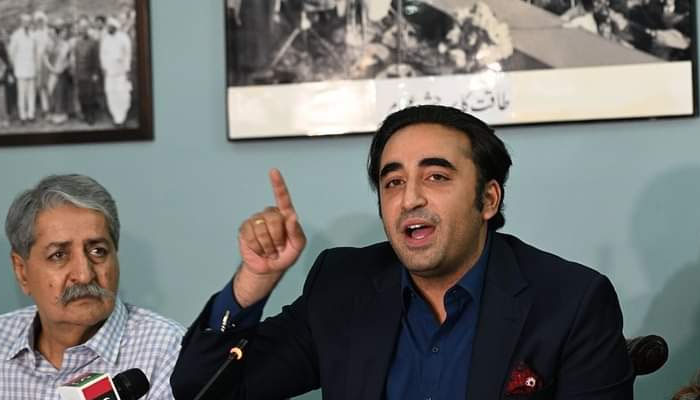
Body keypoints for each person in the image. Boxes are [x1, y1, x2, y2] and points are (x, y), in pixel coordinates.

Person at [171, 105, 634, 399]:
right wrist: (254, 280)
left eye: (436, 177)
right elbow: (203, 389)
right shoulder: (343, 286)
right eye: (393, 182)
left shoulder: (571, 301)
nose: (410, 198)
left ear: (488, 199)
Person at [0, 174, 184, 399]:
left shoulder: (167, 352)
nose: (84, 275)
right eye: (59, 255)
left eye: (98, 251)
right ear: (22, 271)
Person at [100, 17, 132, 126]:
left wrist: (127, 70)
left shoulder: (124, 38)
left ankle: (122, 117)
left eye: (110, 27)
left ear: (115, 27)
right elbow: (102, 55)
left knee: (122, 94)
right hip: (109, 73)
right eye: (108, 26)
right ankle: (115, 117)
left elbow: (127, 55)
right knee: (111, 94)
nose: (108, 28)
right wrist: (104, 68)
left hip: (121, 72)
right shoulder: (105, 39)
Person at [8, 14, 37, 123]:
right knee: (22, 94)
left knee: (31, 93)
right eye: (25, 21)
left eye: (28, 21)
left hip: (31, 68)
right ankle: (23, 116)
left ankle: (31, 114)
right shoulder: (16, 35)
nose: (27, 23)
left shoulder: (33, 35)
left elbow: (34, 52)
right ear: (21, 22)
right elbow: (11, 53)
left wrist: (35, 65)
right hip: (20, 69)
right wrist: (16, 65)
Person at [73, 19, 101, 125]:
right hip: (79, 74)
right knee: (82, 96)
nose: (83, 30)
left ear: (88, 29)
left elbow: (96, 59)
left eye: (85, 28)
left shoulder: (93, 42)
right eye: (81, 28)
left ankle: (91, 116)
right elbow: (76, 59)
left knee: (90, 96)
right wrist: (75, 73)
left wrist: (95, 73)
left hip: (90, 74)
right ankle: (85, 114)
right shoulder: (77, 42)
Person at [32, 11, 53, 118]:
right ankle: (45, 108)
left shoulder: (49, 32)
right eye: (38, 21)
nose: (40, 23)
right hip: (39, 62)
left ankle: (52, 106)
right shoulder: (34, 35)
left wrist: (48, 50)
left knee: (50, 84)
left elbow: (52, 46)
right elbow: (33, 50)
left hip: (49, 61)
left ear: (45, 21)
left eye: (42, 21)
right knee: (41, 86)